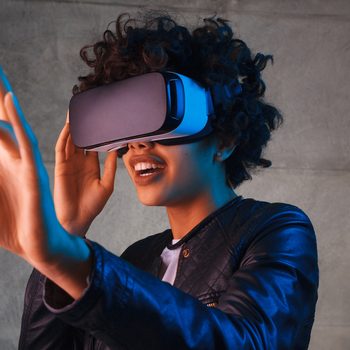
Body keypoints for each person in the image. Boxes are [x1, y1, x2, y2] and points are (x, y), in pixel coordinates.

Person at [0, 12, 318, 350]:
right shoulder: (136, 258)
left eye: (157, 116)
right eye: (128, 125)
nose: (138, 143)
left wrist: (65, 256)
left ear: (224, 140)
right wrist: (66, 232)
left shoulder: (277, 230)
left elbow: (244, 343)